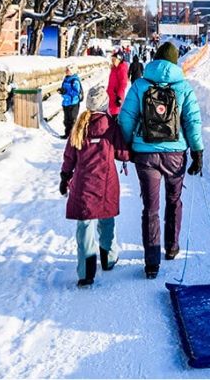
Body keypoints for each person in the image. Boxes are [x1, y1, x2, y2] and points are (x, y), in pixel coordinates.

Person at [118, 42, 204, 279]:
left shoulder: (140, 85)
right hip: (175, 154)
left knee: (151, 207)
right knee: (174, 200)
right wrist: (197, 151)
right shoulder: (184, 87)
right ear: (175, 62)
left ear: (155, 59)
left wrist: (128, 145)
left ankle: (152, 262)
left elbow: (126, 118)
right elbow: (192, 122)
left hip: (145, 154)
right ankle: (172, 246)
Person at [60, 86, 130, 287]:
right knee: (106, 220)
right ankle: (108, 258)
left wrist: (65, 177)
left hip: (83, 185)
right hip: (106, 184)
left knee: (85, 227)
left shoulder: (79, 126)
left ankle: (86, 273)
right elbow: (123, 154)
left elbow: (69, 157)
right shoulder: (111, 126)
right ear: (105, 104)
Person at [58, 65, 83, 139]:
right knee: (66, 120)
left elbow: (76, 92)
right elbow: (64, 89)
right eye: (66, 69)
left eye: (67, 70)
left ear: (72, 71)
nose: (66, 71)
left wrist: (66, 91)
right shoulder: (66, 79)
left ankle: (73, 136)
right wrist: (61, 91)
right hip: (66, 102)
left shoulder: (75, 80)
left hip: (73, 103)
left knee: (72, 120)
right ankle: (67, 134)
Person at [106, 52, 129, 116]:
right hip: (111, 96)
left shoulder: (121, 68)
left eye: (114, 59)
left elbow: (123, 84)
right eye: (112, 59)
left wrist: (119, 97)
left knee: (115, 115)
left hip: (116, 97)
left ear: (119, 59)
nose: (112, 61)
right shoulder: (114, 68)